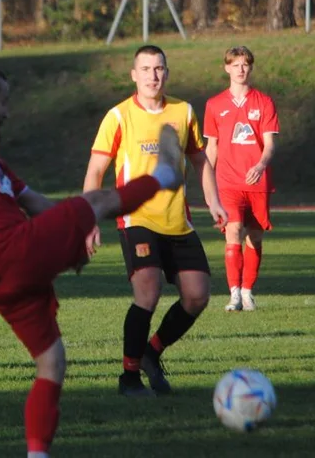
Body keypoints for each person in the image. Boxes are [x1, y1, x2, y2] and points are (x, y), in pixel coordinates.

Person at [0, 65, 186, 458]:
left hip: (2, 274)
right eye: (3, 103)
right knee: (96, 200)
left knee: (52, 363)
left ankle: (37, 454)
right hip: (9, 251)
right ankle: (163, 175)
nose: (7, 113)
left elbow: (36, 203)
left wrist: (71, 225)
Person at [83, 44, 227, 397]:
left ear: (167, 72)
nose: (153, 75)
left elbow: (200, 161)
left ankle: (152, 351)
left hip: (178, 220)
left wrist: (214, 201)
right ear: (134, 75)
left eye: (159, 68)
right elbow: (96, 172)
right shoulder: (118, 117)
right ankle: (129, 378)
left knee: (197, 296)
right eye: (145, 69)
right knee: (147, 291)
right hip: (137, 219)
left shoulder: (183, 111)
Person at [203, 45, 279, 312]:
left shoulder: (264, 102)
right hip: (227, 182)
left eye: (245, 64)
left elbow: (269, 144)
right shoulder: (214, 104)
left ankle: (248, 291)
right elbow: (211, 148)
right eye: (235, 64)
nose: (240, 69)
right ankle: (234, 294)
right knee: (233, 231)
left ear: (251, 67)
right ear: (227, 68)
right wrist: (206, 181)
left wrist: (260, 164)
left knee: (254, 238)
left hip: (257, 183)